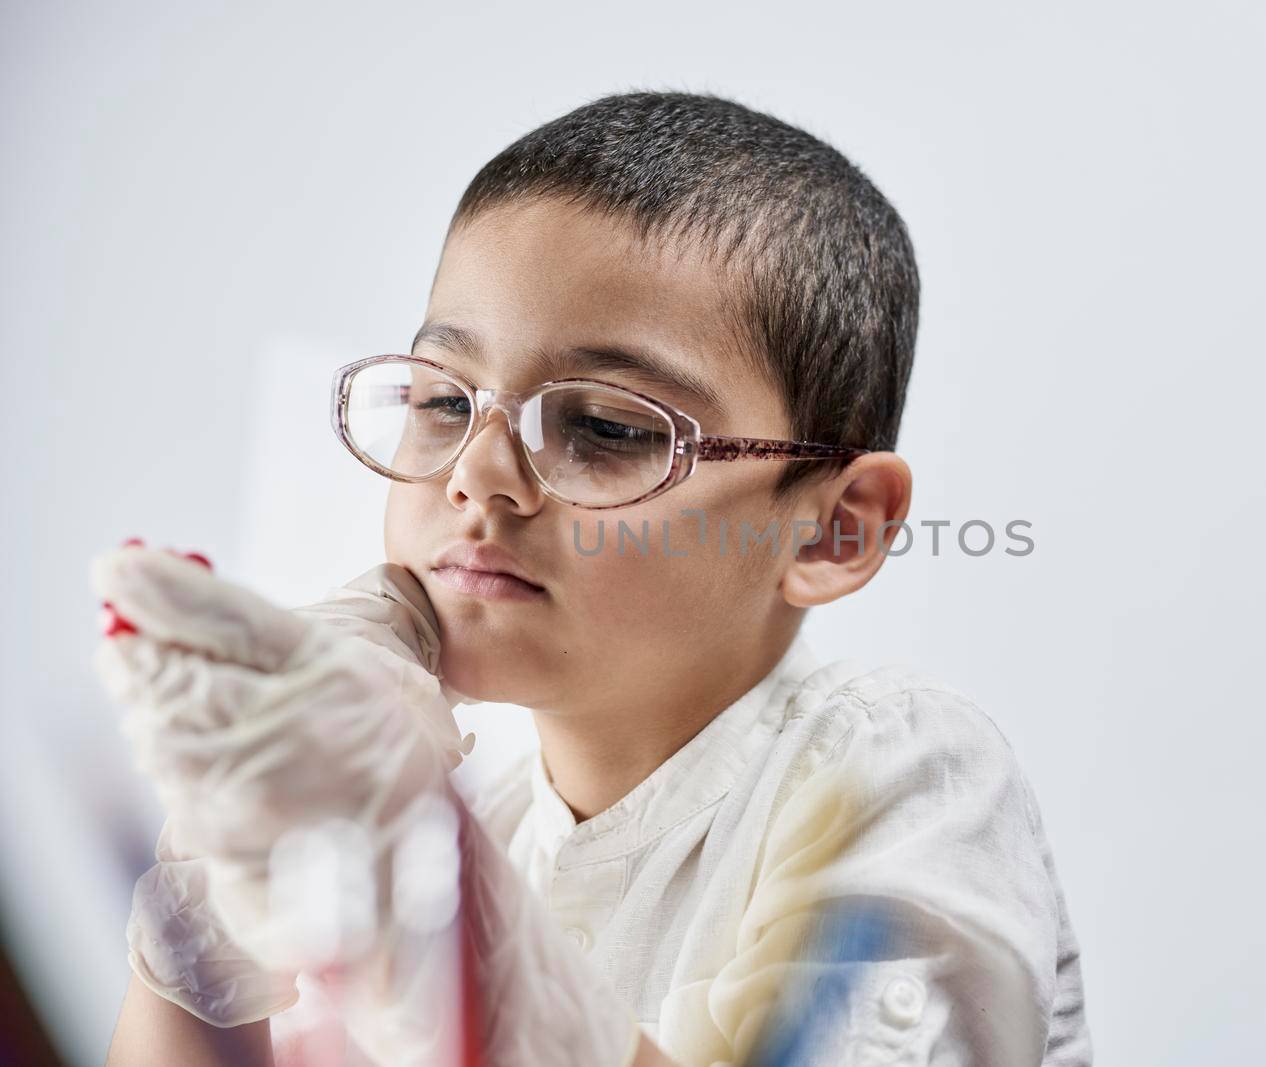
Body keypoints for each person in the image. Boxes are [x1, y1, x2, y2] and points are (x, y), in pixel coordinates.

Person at [94, 90, 1093, 1066]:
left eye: (607, 428)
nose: (477, 474)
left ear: (832, 528)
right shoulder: (487, 820)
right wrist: (209, 899)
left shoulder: (897, 767)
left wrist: (425, 903)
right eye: (444, 401)